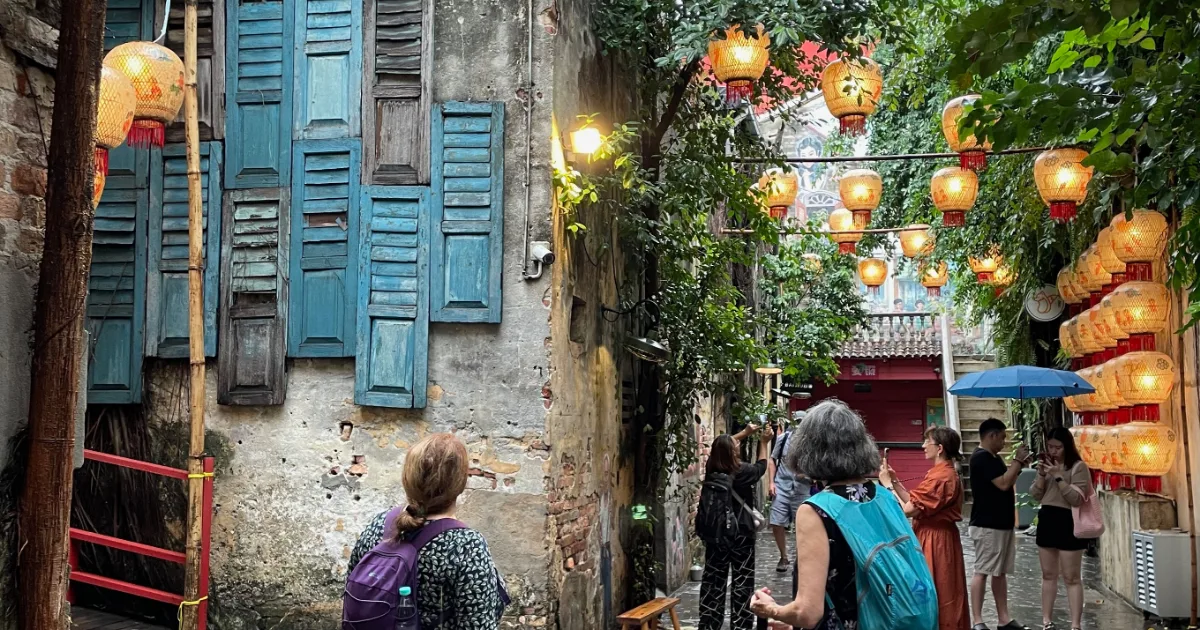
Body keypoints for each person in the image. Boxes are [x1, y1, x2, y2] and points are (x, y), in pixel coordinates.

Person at [749, 400, 933, 630]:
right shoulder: (884, 497)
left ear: (808, 450)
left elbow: (808, 613)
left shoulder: (817, 510)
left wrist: (770, 609)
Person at [348, 433, 505, 629]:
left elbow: (352, 590)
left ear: (408, 476)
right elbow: (479, 624)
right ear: (461, 482)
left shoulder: (379, 525)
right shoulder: (466, 545)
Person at [880, 426, 971, 630]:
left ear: (939, 448)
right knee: (939, 588)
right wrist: (895, 481)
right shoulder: (942, 473)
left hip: (935, 539)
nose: (922, 446)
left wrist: (886, 486)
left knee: (936, 590)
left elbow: (907, 510)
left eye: (926, 442)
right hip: (935, 534)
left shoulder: (942, 477)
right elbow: (915, 502)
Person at [699, 423, 774, 630]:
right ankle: (741, 626)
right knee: (742, 583)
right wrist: (763, 442)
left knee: (713, 583)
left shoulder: (711, 468)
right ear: (733, 452)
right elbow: (761, 465)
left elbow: (720, 446)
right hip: (741, 534)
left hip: (715, 535)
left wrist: (745, 432)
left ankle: (708, 625)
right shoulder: (740, 471)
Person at [968, 418, 1032, 630]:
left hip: (1001, 523)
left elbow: (1008, 479)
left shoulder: (993, 458)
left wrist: (1019, 465)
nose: (1004, 441)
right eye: (1002, 437)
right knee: (983, 570)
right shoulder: (981, 458)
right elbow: (1003, 483)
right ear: (991, 435)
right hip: (987, 524)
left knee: (1000, 572)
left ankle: (1004, 618)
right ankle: (978, 620)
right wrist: (1017, 461)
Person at [1031, 427, 1094, 630]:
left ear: (1067, 446)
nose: (1053, 451)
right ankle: (1046, 621)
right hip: (1048, 519)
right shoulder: (1048, 466)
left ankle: (1075, 624)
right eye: (1050, 446)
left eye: (1057, 447)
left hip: (1069, 521)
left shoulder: (1078, 467)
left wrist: (1059, 476)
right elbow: (1035, 495)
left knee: (1071, 576)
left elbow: (1076, 499)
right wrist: (1041, 475)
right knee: (1048, 574)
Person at [767, 412, 811, 573]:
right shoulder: (783, 438)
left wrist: (807, 475)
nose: (798, 425)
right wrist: (771, 482)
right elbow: (772, 459)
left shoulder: (811, 443)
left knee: (804, 525)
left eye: (801, 422)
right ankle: (783, 556)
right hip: (782, 486)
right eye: (796, 422)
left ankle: (802, 558)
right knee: (777, 523)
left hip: (802, 489)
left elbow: (818, 466)